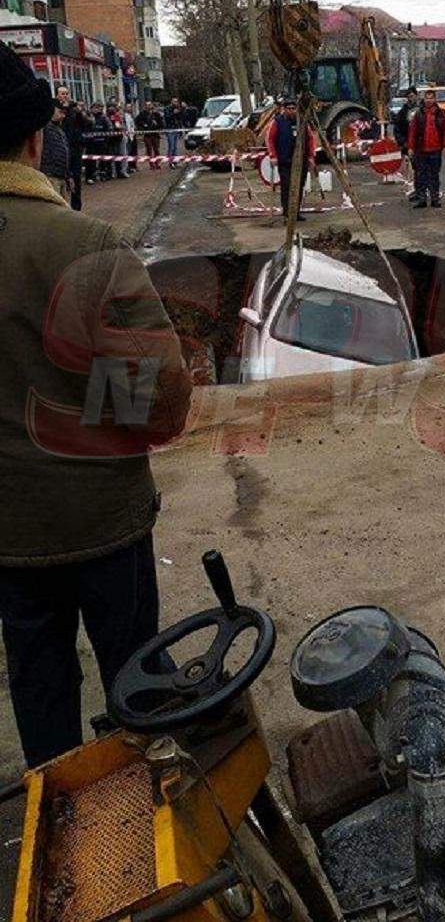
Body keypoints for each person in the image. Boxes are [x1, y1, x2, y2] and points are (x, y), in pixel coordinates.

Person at [0, 41, 193, 768]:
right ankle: (145, 822)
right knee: (136, 677)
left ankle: (63, 822)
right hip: (102, 520)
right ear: (34, 139)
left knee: (39, 679)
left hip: (10, 535)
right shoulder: (85, 245)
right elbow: (157, 402)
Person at [266, 98, 315, 222]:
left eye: (294, 109)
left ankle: (296, 212)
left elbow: (310, 139)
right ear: (284, 109)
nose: (291, 111)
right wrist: (273, 155)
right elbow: (270, 139)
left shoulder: (302, 122)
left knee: (299, 187)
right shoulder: (277, 122)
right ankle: (287, 213)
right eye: (289, 109)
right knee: (287, 187)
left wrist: (311, 157)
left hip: (300, 160)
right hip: (285, 161)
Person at [407, 88, 445, 209]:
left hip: (435, 149)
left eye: (431, 98)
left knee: (434, 175)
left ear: (435, 99)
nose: (429, 100)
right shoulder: (418, 114)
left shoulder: (441, 113)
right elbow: (413, 132)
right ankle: (421, 198)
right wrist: (411, 147)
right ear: (424, 99)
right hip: (421, 149)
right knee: (420, 175)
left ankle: (435, 198)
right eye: (427, 98)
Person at [55, 86, 92, 209]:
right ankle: (61, 206)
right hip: (60, 149)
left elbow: (87, 124)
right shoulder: (54, 109)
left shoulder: (73, 110)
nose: (65, 96)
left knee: (76, 178)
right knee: (60, 179)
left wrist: (79, 112)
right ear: (57, 95)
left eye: (66, 93)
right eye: (62, 93)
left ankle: (76, 207)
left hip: (74, 148)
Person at [41, 101, 71, 200]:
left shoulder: (60, 130)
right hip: (50, 175)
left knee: (65, 207)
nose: (63, 116)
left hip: (61, 175)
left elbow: (65, 154)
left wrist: (68, 176)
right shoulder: (44, 128)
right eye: (60, 112)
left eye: (64, 113)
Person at [136, 100, 163, 169]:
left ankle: (158, 163)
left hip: (155, 134)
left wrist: (158, 125)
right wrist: (143, 127)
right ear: (145, 106)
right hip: (147, 135)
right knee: (149, 150)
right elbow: (137, 121)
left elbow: (161, 123)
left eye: (150, 105)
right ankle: (151, 164)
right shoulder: (142, 114)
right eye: (147, 105)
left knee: (156, 149)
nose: (149, 106)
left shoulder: (156, 114)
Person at [106, 101, 127, 179]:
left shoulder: (116, 116)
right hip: (110, 139)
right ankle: (112, 172)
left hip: (117, 138)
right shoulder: (107, 116)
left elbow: (118, 126)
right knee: (111, 155)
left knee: (118, 154)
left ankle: (119, 172)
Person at [164, 96, 183, 168]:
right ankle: (170, 162)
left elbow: (180, 118)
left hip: (176, 129)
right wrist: (174, 113)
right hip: (170, 129)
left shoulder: (178, 109)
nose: (175, 103)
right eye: (174, 101)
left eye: (176, 101)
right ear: (171, 102)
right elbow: (167, 117)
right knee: (171, 146)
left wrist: (181, 110)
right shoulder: (167, 109)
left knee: (175, 147)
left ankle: (175, 162)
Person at [124, 102, 138, 171]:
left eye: (130, 107)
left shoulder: (132, 115)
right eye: (128, 107)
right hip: (129, 135)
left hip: (133, 134)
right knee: (129, 151)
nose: (129, 108)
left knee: (134, 151)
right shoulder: (125, 116)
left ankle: (134, 165)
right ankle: (129, 167)